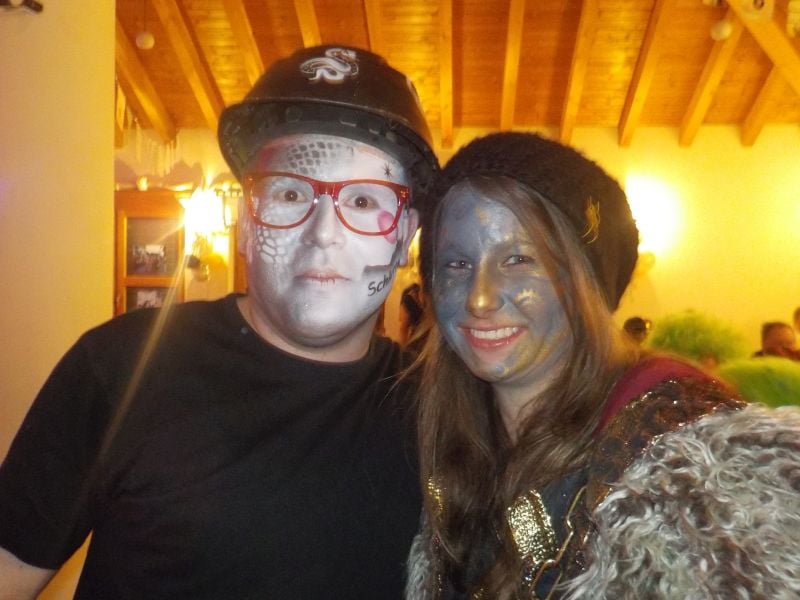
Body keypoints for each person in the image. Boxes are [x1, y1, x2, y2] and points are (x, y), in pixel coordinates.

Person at [0, 45, 437, 599]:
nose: (324, 233)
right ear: (245, 225)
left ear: (405, 236)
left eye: (363, 201)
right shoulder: (122, 367)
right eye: (289, 192)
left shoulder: (438, 408)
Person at [405, 132, 800, 599]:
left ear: (585, 283)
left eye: (518, 259)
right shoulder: (443, 445)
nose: (480, 298)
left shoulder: (692, 467)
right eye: (456, 264)